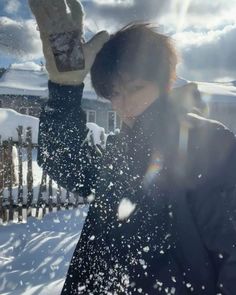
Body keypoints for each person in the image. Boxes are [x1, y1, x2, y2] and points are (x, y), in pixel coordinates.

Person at [29, 0, 236, 294]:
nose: (123, 104)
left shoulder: (208, 145)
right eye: (115, 92)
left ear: (164, 83)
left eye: (136, 88)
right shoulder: (120, 152)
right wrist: (64, 87)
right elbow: (65, 162)